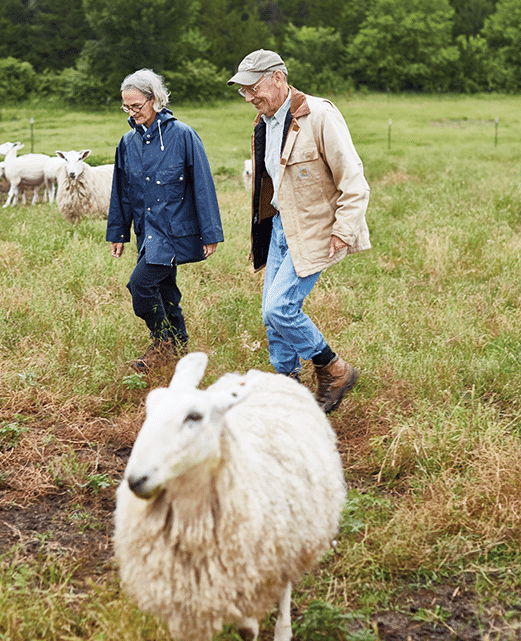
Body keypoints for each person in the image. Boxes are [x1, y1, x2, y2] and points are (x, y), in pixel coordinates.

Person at [228, 49, 371, 413]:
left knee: (280, 308)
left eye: (252, 87)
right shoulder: (264, 122)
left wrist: (343, 230)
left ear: (278, 78)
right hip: (278, 227)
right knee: (270, 315)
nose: (248, 97)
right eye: (243, 90)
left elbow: (354, 181)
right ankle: (287, 385)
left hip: (315, 229)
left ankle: (334, 369)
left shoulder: (319, 114)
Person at [107, 68, 223, 372]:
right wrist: (118, 232)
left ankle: (163, 342)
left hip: (173, 231)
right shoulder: (127, 143)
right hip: (147, 231)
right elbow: (120, 190)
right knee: (165, 288)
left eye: (137, 106)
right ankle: (180, 347)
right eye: (126, 107)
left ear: (155, 100)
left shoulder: (183, 135)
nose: (132, 113)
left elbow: (202, 185)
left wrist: (210, 232)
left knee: (140, 286)